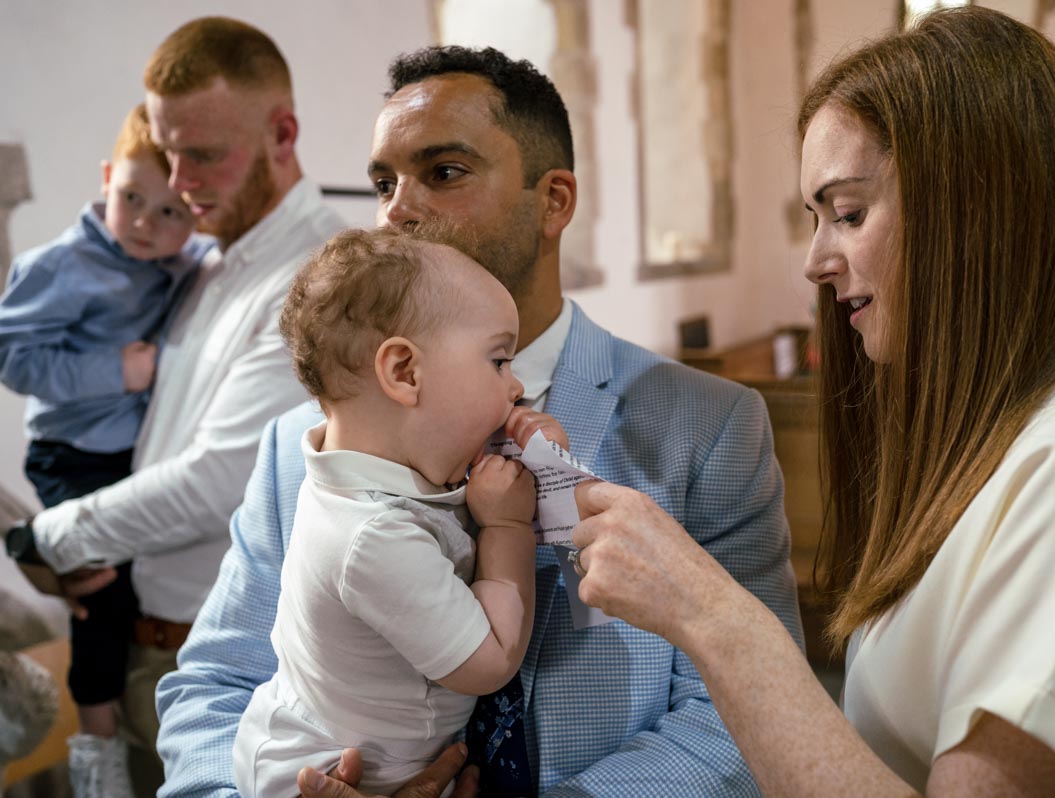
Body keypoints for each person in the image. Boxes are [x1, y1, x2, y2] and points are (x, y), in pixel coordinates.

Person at [569, 7, 1055, 797]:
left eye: (850, 212)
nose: (815, 262)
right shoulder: (1004, 446)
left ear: (974, 208)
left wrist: (715, 619)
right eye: (815, 218)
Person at [156, 46, 801, 797]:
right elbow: (210, 687)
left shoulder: (707, 427)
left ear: (553, 201)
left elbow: (746, 709)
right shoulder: (306, 445)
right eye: (382, 182)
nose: (397, 210)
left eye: (444, 172)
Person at [15, 16, 344, 794]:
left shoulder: (318, 277)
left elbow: (217, 481)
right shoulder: (201, 263)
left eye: (203, 153)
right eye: (168, 151)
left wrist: (44, 538)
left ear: (282, 132)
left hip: (227, 663)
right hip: (146, 645)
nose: (181, 177)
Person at [233, 228, 562, 796]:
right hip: (336, 780)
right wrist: (507, 525)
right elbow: (491, 660)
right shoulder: (372, 535)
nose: (517, 386)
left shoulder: (366, 475)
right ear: (405, 372)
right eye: (500, 360)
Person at [0, 103, 211, 797]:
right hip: (70, 453)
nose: (148, 223)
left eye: (172, 211)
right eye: (131, 200)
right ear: (104, 180)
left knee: (135, 589)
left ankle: (120, 723)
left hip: (129, 455)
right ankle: (95, 747)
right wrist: (110, 372)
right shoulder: (59, 266)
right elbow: (12, 357)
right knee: (98, 594)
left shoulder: (176, 261)